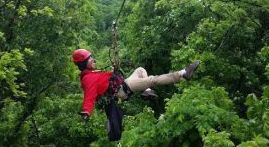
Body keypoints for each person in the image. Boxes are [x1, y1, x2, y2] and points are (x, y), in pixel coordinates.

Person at [72, 48, 200, 121]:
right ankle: (183, 73)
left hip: (123, 84)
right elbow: (89, 96)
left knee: (140, 70)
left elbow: (103, 82)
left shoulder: (92, 74)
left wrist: (113, 71)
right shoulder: (88, 78)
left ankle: (147, 91)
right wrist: (86, 112)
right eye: (90, 59)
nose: (93, 59)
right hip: (122, 89)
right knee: (152, 79)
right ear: (83, 64)